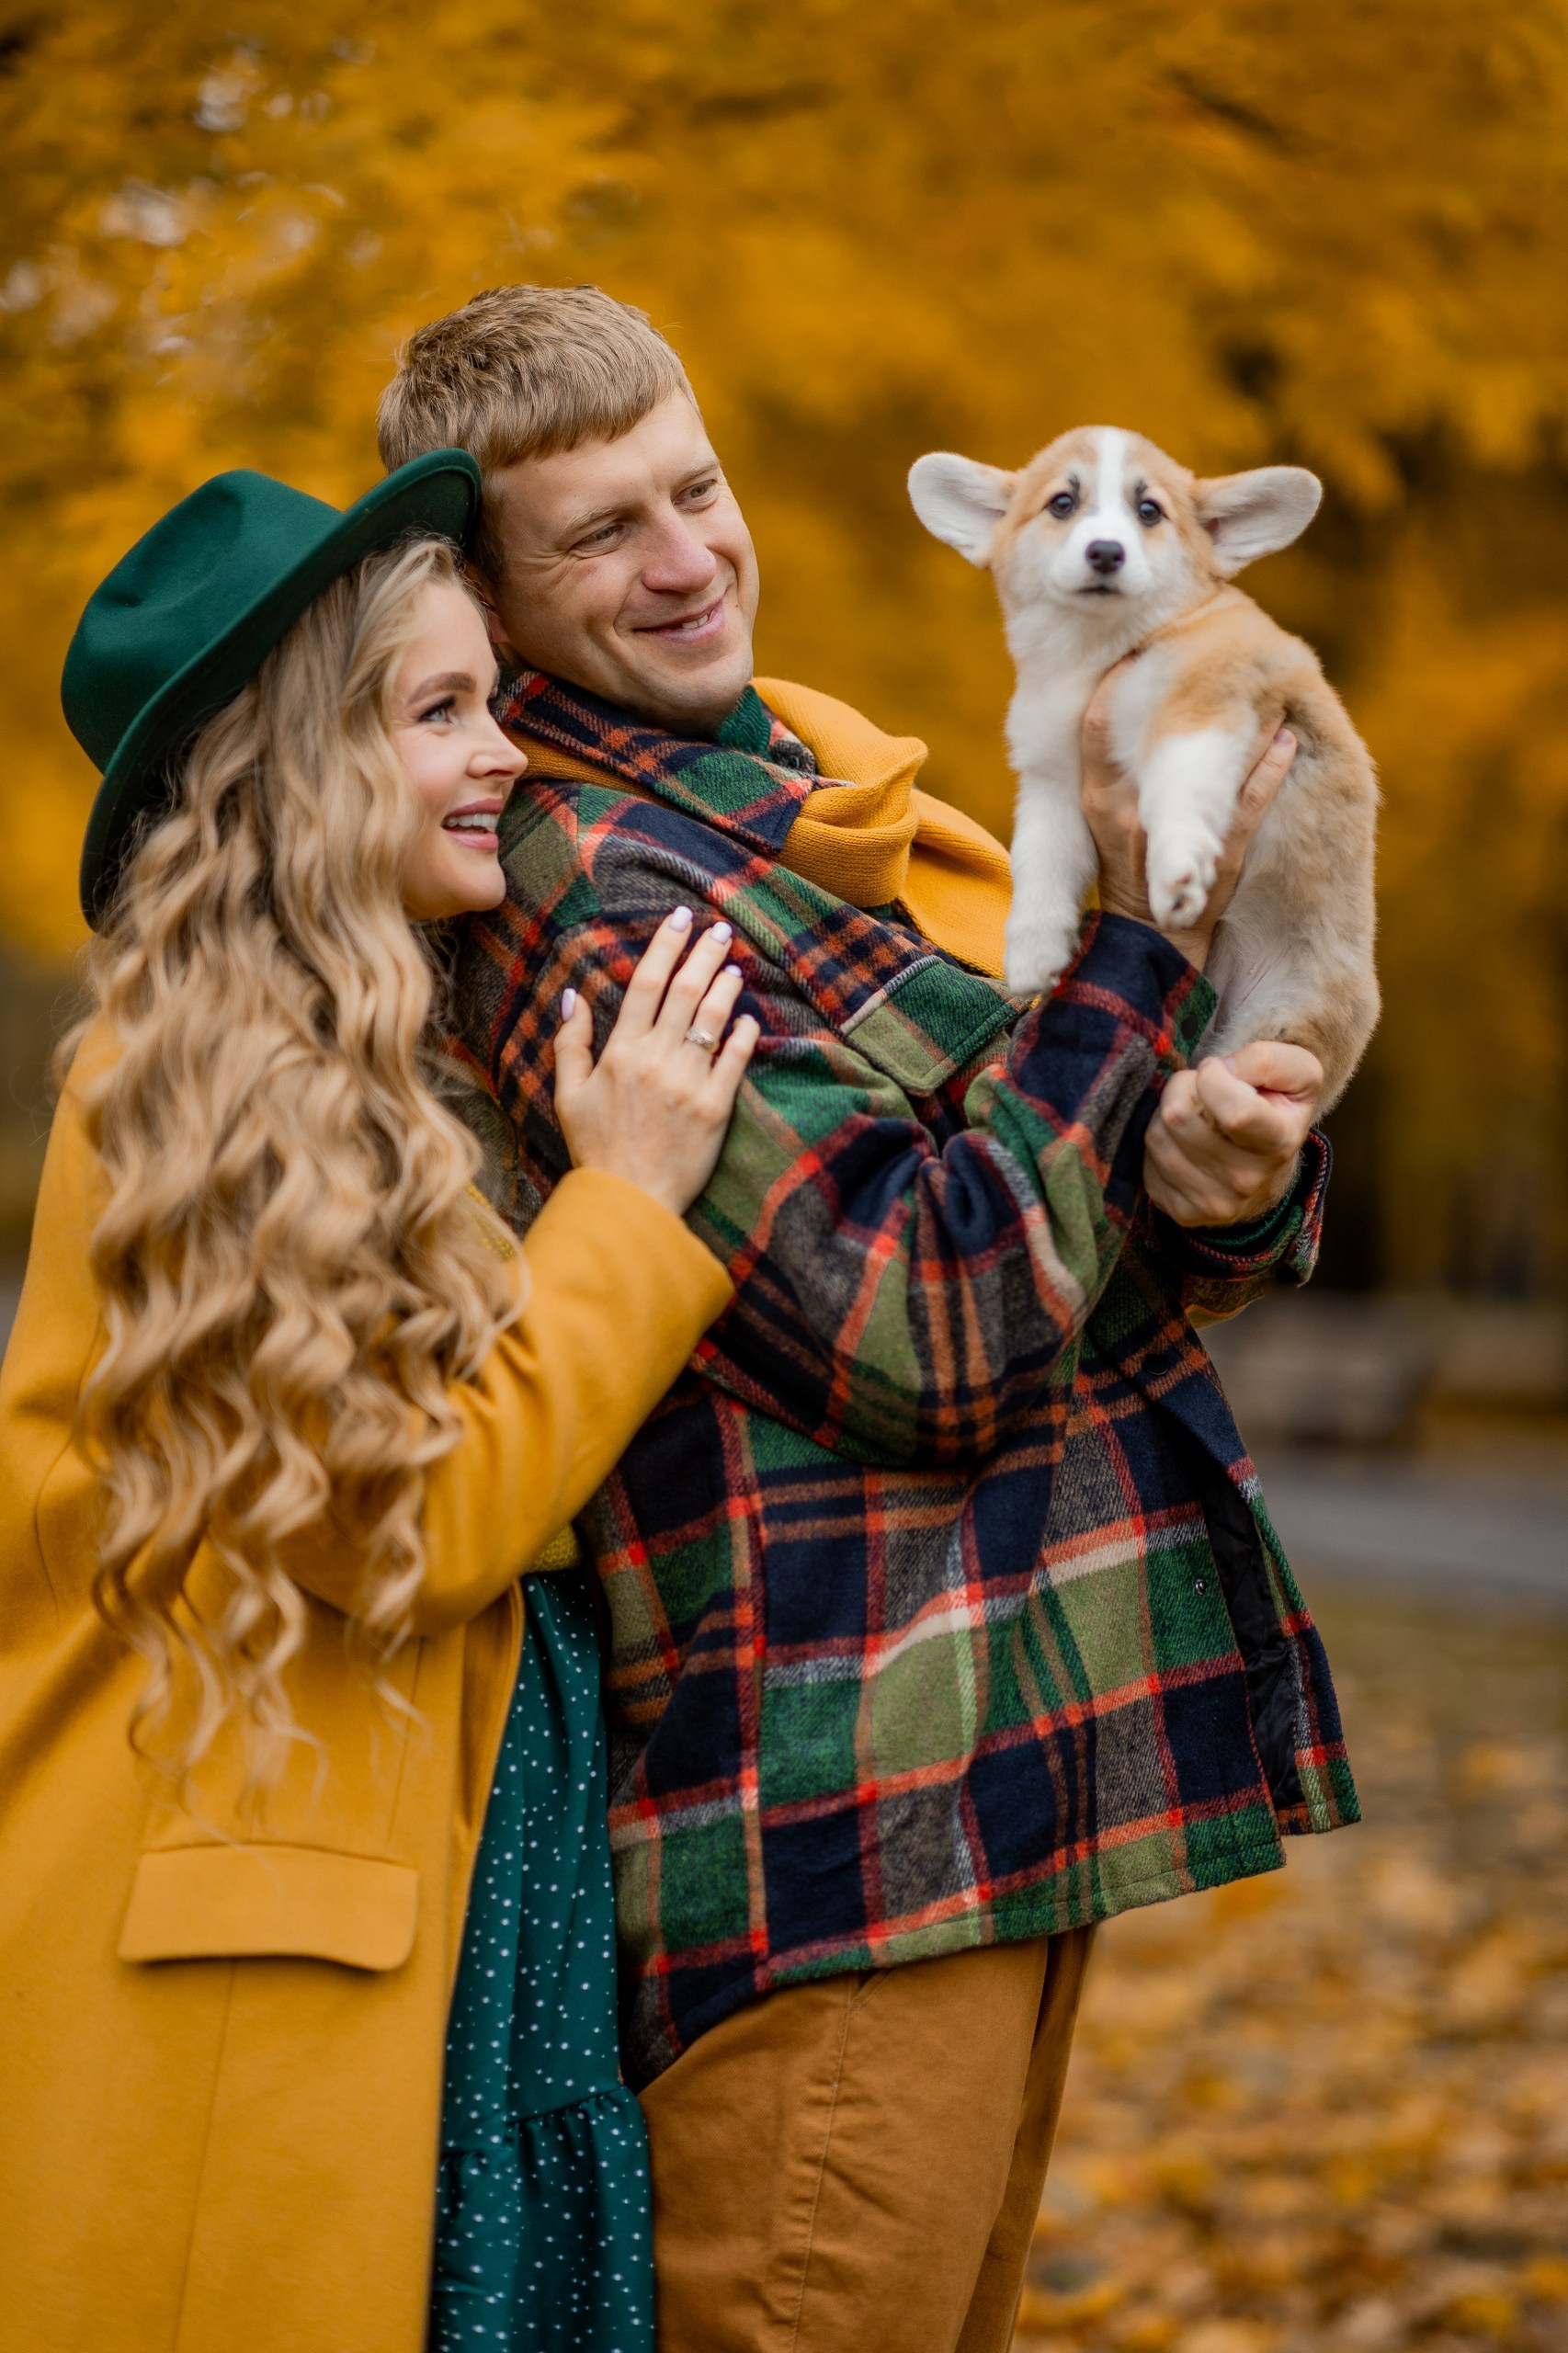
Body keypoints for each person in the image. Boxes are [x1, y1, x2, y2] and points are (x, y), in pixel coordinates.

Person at [378, 286, 1361, 2353]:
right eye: (599, 534)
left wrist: (1231, 1179)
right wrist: (1138, 934)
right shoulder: (592, 886)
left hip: (1000, 1780)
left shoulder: (800, 790)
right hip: (841, 1815)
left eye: (695, 487)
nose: (686, 558)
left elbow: (1057, 1186)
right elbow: (934, 1321)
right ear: (492, 595)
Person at [0, 453, 757, 2353]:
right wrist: (625, 1203)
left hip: (460, 1897)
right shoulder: (203, 1075)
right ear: (300, 766)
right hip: (251, 1961)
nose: (504, 751)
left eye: (491, 698)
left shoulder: (368, 1056)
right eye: (440, 711)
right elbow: (410, 1520)